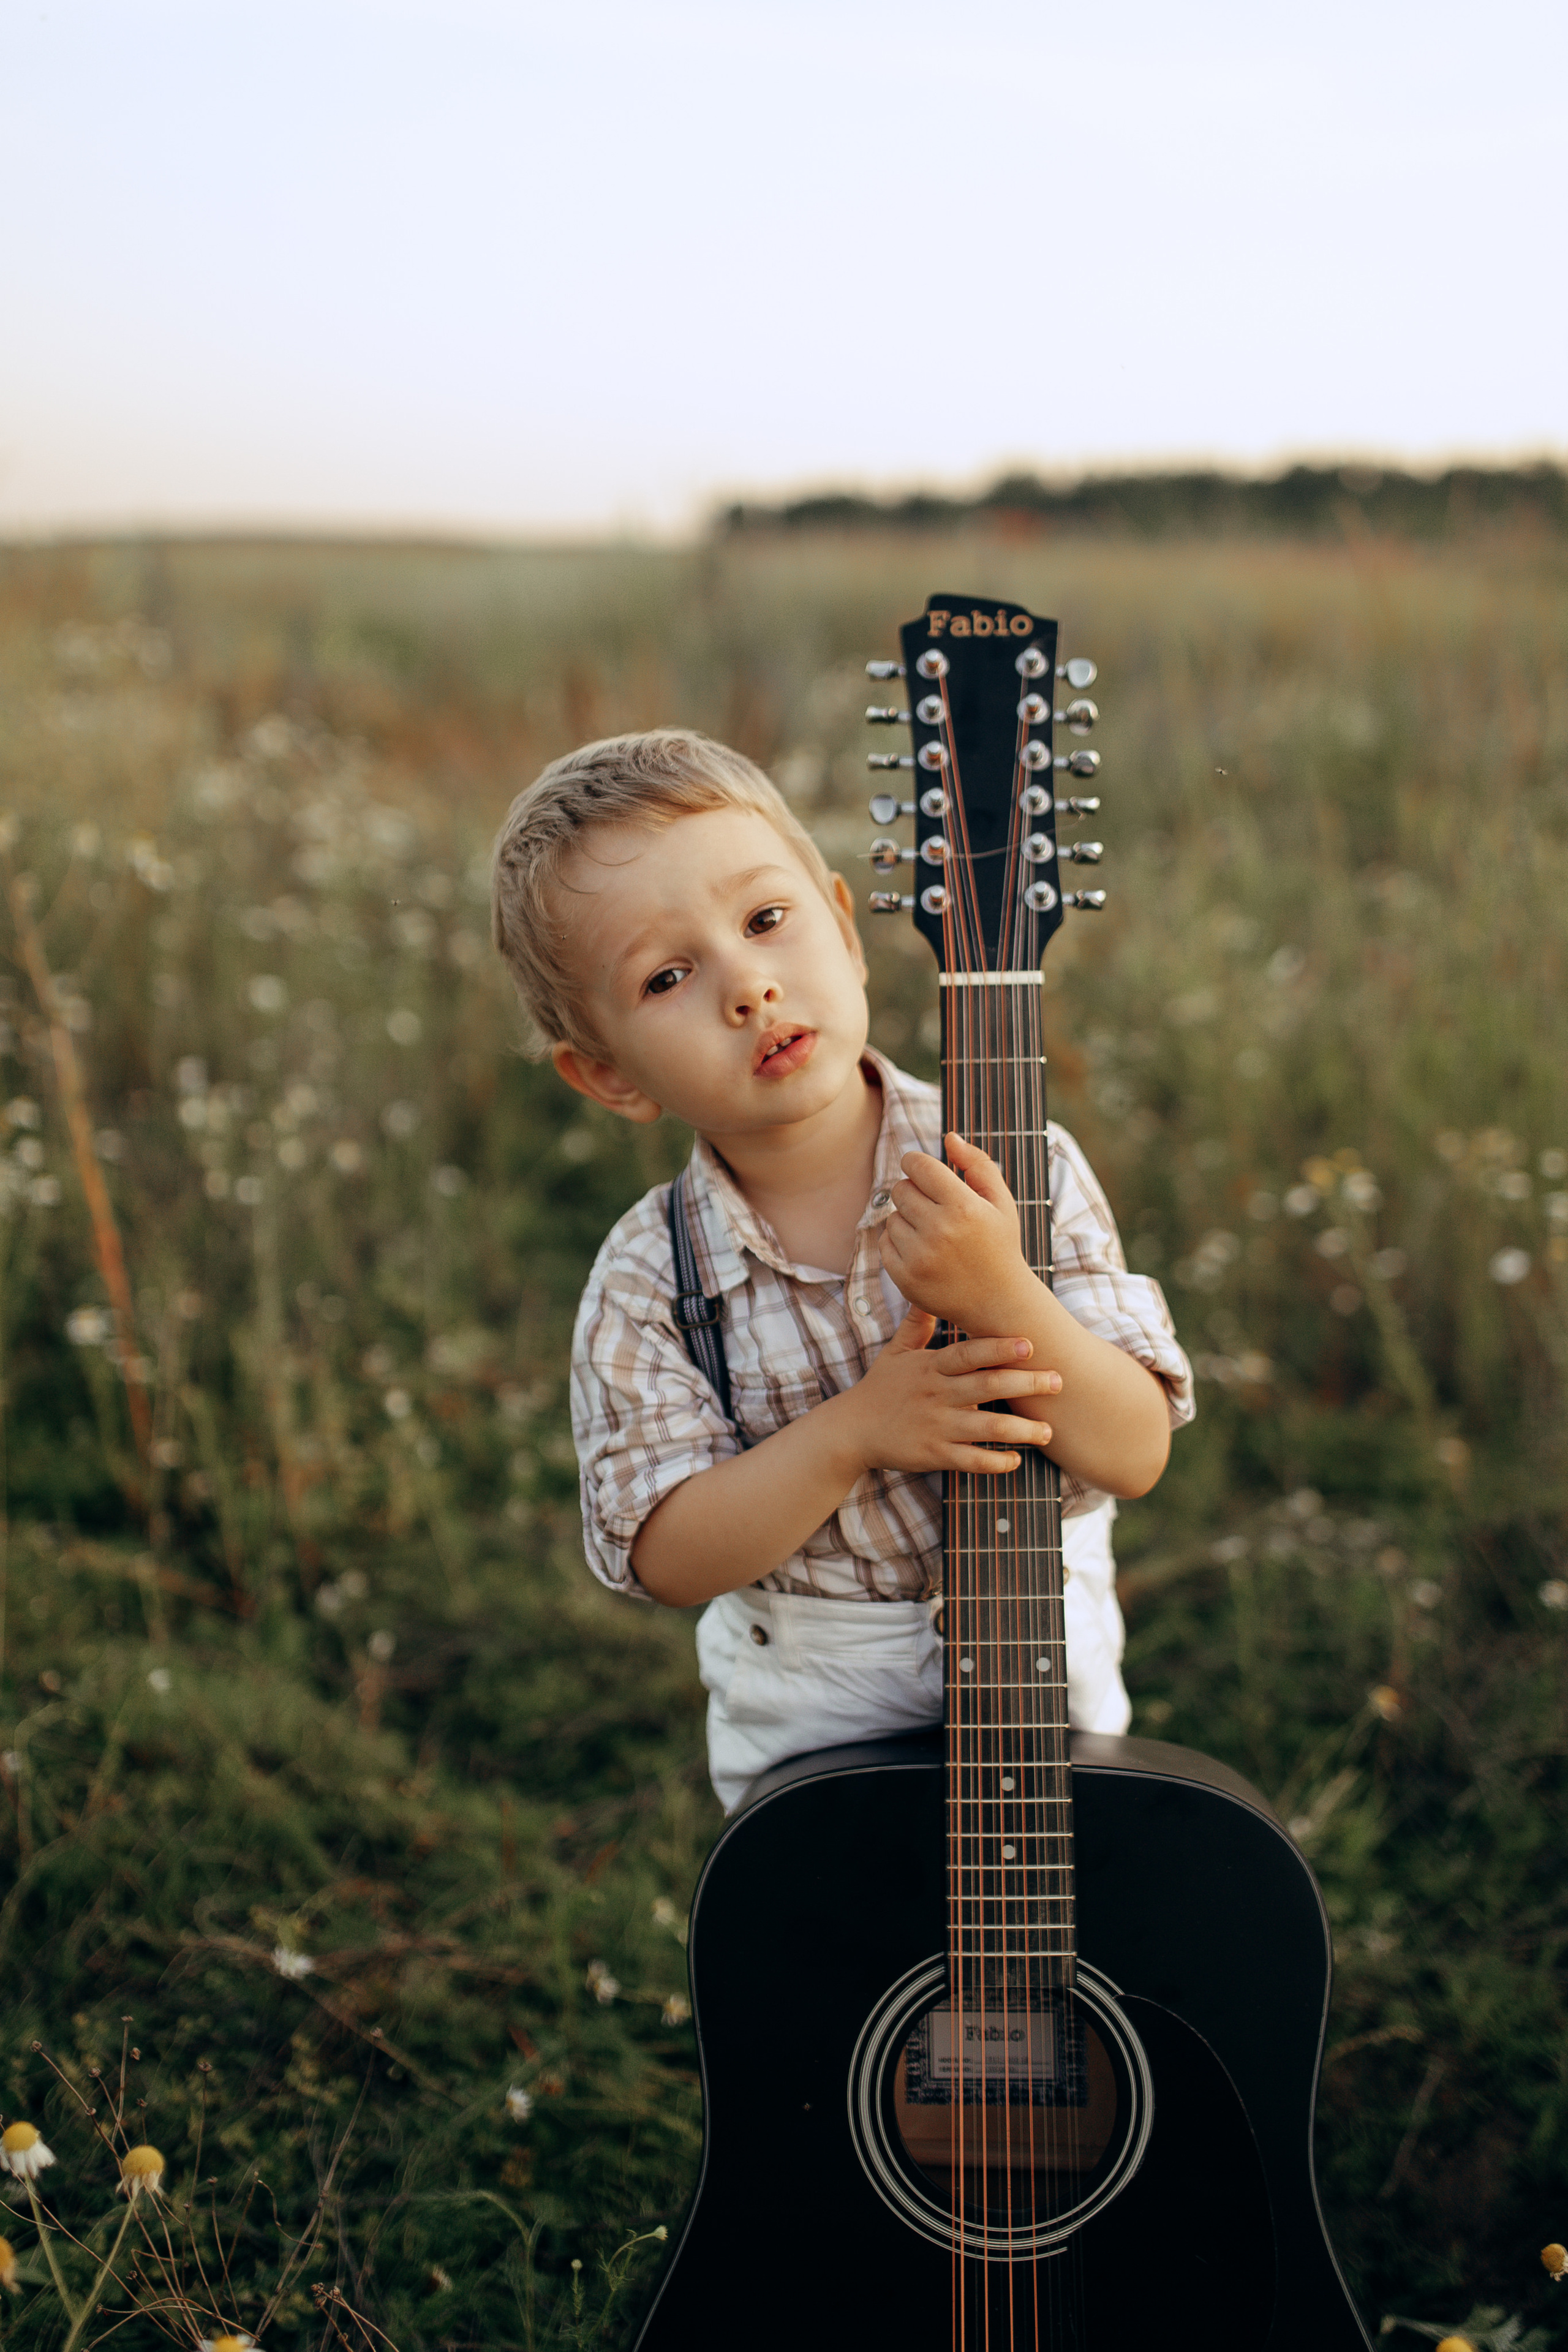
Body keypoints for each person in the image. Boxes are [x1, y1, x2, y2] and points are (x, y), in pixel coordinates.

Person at [491, 728, 1194, 1812]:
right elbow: (666, 1554)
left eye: (767, 921)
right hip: (814, 1712)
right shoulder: (648, 1276)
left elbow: (1136, 1450)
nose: (749, 988)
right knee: (855, 1979)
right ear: (607, 1076)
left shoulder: (1021, 1165)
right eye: (668, 977)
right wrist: (855, 1431)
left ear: (844, 927)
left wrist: (1004, 1296)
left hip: (1043, 1673)